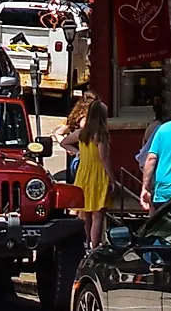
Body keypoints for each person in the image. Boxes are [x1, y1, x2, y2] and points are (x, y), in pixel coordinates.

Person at [63, 96, 113, 243]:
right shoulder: (101, 135)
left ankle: (85, 244)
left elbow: (64, 142)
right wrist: (113, 179)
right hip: (98, 174)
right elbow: (104, 158)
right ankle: (95, 247)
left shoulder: (82, 133)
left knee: (85, 214)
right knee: (98, 216)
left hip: (83, 173)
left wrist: (77, 152)